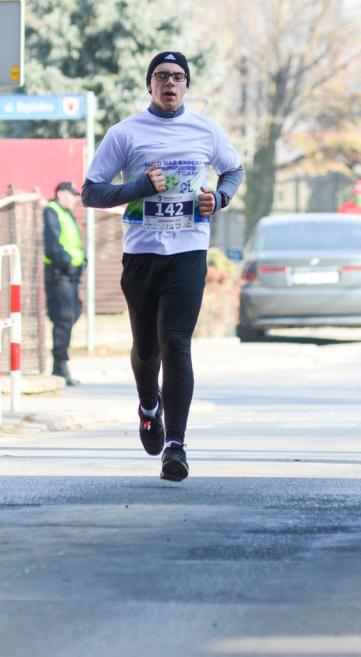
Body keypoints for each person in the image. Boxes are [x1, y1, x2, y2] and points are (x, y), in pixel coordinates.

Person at [81, 51, 244, 482]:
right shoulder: (125, 133)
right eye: (161, 76)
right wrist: (137, 186)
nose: (170, 83)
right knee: (146, 350)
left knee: (176, 343)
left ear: (187, 86)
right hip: (142, 255)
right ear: (149, 86)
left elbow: (234, 170)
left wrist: (220, 198)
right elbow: (91, 193)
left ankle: (176, 445)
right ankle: (147, 405)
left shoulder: (206, 130)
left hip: (188, 253)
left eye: (178, 77)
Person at [44, 181, 85, 386]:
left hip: (70, 276)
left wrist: (81, 260)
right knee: (63, 318)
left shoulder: (65, 213)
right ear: (61, 194)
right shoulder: (52, 211)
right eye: (71, 195)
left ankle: (61, 364)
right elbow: (53, 247)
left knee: (73, 312)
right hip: (59, 275)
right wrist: (69, 262)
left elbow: (72, 243)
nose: (75, 199)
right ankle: (60, 366)